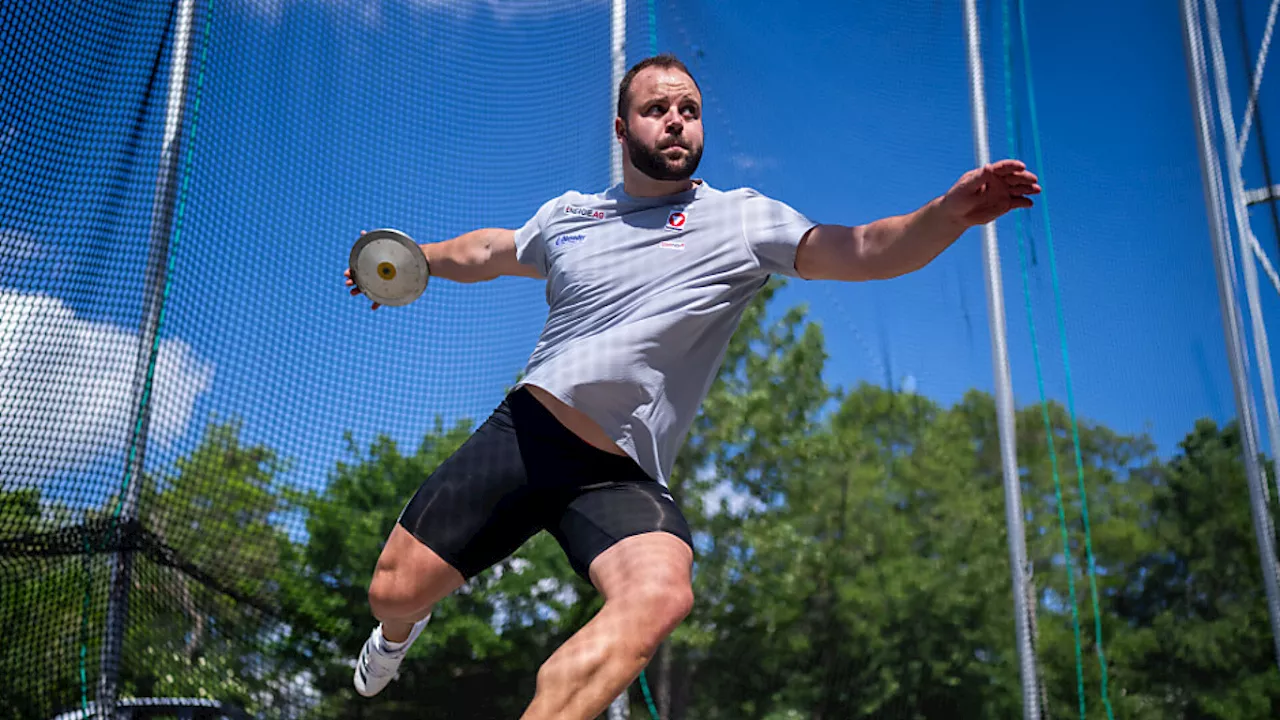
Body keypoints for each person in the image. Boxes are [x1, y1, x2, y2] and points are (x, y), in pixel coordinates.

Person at [342, 53, 1039, 718]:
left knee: (661, 594)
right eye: (656, 109)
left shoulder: (741, 220)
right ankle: (400, 632)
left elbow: (860, 250)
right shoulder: (569, 218)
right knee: (391, 593)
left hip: (621, 477)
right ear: (622, 130)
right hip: (528, 437)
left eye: (689, 109)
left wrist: (945, 215)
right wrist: (411, 262)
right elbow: (488, 251)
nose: (676, 120)